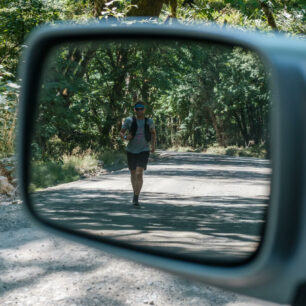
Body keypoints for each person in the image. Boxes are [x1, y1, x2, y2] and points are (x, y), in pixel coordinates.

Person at [120, 102, 156, 207]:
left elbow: (153, 133)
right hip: (131, 150)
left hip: (144, 150)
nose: (139, 110)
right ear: (134, 110)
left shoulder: (149, 121)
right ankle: (135, 194)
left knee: (139, 172)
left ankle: (136, 197)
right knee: (133, 173)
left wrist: (153, 146)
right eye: (137, 109)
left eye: (141, 109)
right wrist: (126, 138)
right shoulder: (129, 120)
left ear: (144, 110)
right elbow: (121, 132)